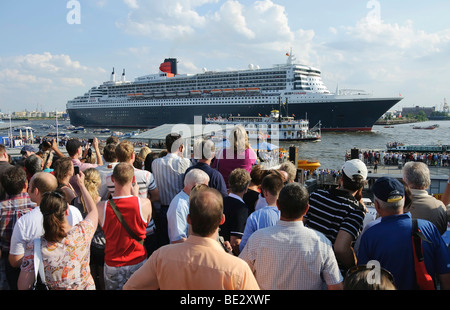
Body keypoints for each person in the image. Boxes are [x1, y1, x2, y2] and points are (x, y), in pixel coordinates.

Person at [123, 187, 260, 290]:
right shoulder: (237, 269)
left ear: (188, 219)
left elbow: (130, 287)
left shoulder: (162, 256)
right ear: (222, 220)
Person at [239, 183, 343, 290]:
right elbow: (335, 286)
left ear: (278, 205)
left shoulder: (258, 238)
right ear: (306, 209)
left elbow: (239, 275)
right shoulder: (321, 243)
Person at [357, 177, 450, 290]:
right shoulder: (428, 228)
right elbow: (446, 277)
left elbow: (366, 281)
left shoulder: (370, 235)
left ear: (376, 205)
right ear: (404, 200)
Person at [17, 171, 98, 290]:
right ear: (66, 211)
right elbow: (93, 211)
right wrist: (81, 185)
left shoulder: (35, 247)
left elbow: (23, 286)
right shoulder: (82, 233)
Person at [9, 172, 83, 271]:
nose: (27, 190)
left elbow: (15, 261)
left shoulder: (24, 222)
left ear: (36, 191)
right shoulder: (75, 211)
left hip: (41, 277)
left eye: (29, 187)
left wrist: (34, 253)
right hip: (74, 271)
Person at [304, 159, 367, 274]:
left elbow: (301, 223)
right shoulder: (356, 210)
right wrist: (355, 268)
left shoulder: (316, 196)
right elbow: (341, 249)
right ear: (363, 184)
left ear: (341, 179)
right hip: (332, 272)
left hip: (306, 261)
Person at [98, 163, 152, 290]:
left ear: (112, 179)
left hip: (113, 263)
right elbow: (144, 223)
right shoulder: (145, 204)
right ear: (133, 180)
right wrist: (136, 196)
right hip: (138, 260)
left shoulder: (102, 207)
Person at [151, 133, 192, 246]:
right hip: (180, 209)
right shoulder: (185, 162)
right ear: (180, 147)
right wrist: (182, 154)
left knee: (163, 243)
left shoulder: (155, 163)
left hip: (162, 209)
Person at [0, 166, 37, 290]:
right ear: (25, 185)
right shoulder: (36, 204)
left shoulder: (1, 208)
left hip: (8, 256)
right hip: (33, 255)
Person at [239, 172, 284, 252]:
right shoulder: (288, 214)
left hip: (259, 261)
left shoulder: (255, 217)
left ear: (265, 192)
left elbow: (244, 246)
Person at [402, 161, 448, 235]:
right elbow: (442, 231)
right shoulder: (439, 206)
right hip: (431, 245)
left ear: (405, 180)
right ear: (427, 181)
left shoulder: (395, 205)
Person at [167, 169, 209, 244]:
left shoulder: (190, 200)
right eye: (205, 187)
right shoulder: (179, 206)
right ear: (196, 186)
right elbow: (178, 240)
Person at [220, 168, 251, 255]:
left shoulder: (221, 201)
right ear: (246, 187)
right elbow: (235, 242)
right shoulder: (241, 208)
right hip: (230, 255)